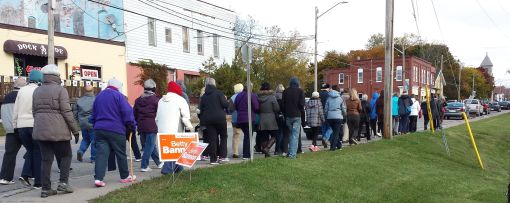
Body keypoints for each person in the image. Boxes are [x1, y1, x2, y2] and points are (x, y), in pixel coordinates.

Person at [32, 64, 80, 197]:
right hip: (58, 130)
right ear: (57, 76)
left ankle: (45, 189)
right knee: (66, 155)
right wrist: (75, 130)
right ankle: (63, 184)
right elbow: (66, 112)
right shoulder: (60, 90)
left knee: (46, 160)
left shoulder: (37, 90)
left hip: (41, 130)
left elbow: (34, 111)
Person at [91, 78, 136, 187]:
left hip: (99, 129)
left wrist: (95, 124)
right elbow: (127, 111)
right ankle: (125, 176)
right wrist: (131, 125)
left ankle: (98, 178)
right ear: (118, 87)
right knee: (120, 153)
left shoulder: (99, 96)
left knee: (101, 154)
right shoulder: (118, 96)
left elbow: (93, 113)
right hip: (116, 129)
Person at [13, 70, 43, 188]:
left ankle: (26, 175)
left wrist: (15, 125)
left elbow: (16, 109)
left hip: (21, 125)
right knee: (38, 152)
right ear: (40, 80)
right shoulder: (39, 90)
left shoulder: (21, 90)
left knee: (30, 151)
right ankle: (38, 182)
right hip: (35, 124)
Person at [156, 81, 193, 174]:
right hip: (175, 128)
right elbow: (185, 117)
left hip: (162, 129)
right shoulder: (180, 100)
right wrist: (190, 127)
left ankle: (178, 168)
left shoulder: (161, 100)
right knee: (175, 149)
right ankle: (166, 170)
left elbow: (157, 117)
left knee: (170, 150)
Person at [0, 78, 28, 185]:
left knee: (9, 154)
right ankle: (31, 174)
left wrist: (8, 127)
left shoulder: (6, 97)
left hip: (10, 130)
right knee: (33, 150)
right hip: (22, 128)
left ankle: (5, 178)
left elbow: (4, 114)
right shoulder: (23, 96)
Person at [134, 79, 163, 172]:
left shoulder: (138, 100)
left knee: (150, 145)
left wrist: (136, 123)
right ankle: (144, 165)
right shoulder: (156, 100)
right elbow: (160, 114)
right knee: (149, 146)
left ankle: (159, 162)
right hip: (151, 125)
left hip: (141, 126)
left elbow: (134, 113)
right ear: (154, 88)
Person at [200, 78, 229, 164]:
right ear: (214, 84)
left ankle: (213, 159)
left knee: (212, 139)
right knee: (223, 136)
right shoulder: (219, 93)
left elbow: (201, 109)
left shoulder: (204, 96)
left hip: (208, 120)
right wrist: (226, 101)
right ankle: (222, 157)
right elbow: (225, 105)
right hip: (220, 118)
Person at [235, 82, 260, 160]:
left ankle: (245, 152)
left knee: (246, 135)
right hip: (249, 118)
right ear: (251, 88)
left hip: (240, 119)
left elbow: (236, 106)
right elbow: (256, 107)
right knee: (248, 136)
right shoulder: (252, 95)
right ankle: (246, 154)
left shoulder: (238, 95)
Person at [282, 77, 305, 159]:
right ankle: (292, 154)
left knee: (291, 135)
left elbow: (283, 105)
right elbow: (302, 105)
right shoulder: (300, 91)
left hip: (288, 116)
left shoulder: (285, 91)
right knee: (294, 136)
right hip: (297, 116)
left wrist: (285, 114)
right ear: (297, 83)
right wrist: (302, 116)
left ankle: (290, 152)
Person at [74, 85, 96, 163]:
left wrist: (77, 123)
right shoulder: (96, 100)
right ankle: (93, 158)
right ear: (93, 90)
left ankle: (81, 151)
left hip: (83, 123)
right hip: (93, 123)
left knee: (85, 139)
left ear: (84, 91)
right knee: (94, 141)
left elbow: (75, 113)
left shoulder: (79, 100)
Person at [257, 82, 280, 157]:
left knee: (264, 137)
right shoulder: (272, 97)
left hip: (261, 118)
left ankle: (266, 153)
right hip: (271, 119)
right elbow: (277, 108)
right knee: (275, 135)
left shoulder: (258, 97)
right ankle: (267, 148)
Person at [325, 85, 346, 151]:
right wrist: (344, 115)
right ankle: (333, 147)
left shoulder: (328, 98)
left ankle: (339, 145)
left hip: (330, 116)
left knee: (334, 132)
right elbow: (343, 109)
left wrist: (326, 115)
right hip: (338, 116)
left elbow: (326, 109)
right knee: (336, 132)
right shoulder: (340, 98)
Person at [228, 83, 244, 158]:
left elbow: (230, 109)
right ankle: (246, 151)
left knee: (236, 135)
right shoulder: (246, 96)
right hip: (245, 117)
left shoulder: (232, 97)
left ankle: (235, 152)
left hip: (235, 118)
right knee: (247, 135)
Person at [275, 84, 288, 156]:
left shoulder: (274, 96)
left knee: (277, 133)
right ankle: (281, 148)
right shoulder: (284, 97)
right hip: (282, 115)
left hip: (276, 116)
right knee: (282, 133)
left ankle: (277, 149)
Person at [319, 83, 332, 148]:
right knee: (330, 127)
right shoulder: (329, 94)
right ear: (328, 88)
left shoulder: (319, 94)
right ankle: (326, 138)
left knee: (323, 127)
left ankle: (324, 142)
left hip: (321, 113)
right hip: (328, 112)